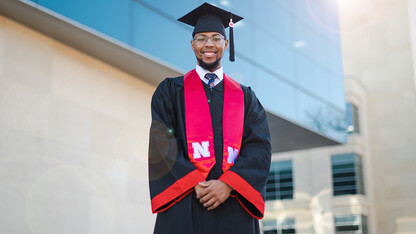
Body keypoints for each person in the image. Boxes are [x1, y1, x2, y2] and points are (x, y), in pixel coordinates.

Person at [148, 2, 271, 234]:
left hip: (234, 205)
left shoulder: (246, 98)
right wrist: (195, 182)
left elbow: (260, 148)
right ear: (192, 44)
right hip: (185, 205)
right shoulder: (170, 92)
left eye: (215, 38)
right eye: (202, 38)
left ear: (226, 43)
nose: (208, 44)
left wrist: (227, 184)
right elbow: (161, 143)